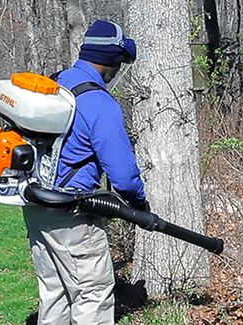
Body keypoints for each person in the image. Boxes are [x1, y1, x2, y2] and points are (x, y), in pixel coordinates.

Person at [23, 20, 147, 325]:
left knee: (55, 293)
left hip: (37, 205)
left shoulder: (56, 83)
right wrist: (139, 203)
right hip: (74, 215)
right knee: (93, 294)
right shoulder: (99, 104)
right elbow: (122, 175)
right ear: (113, 62)